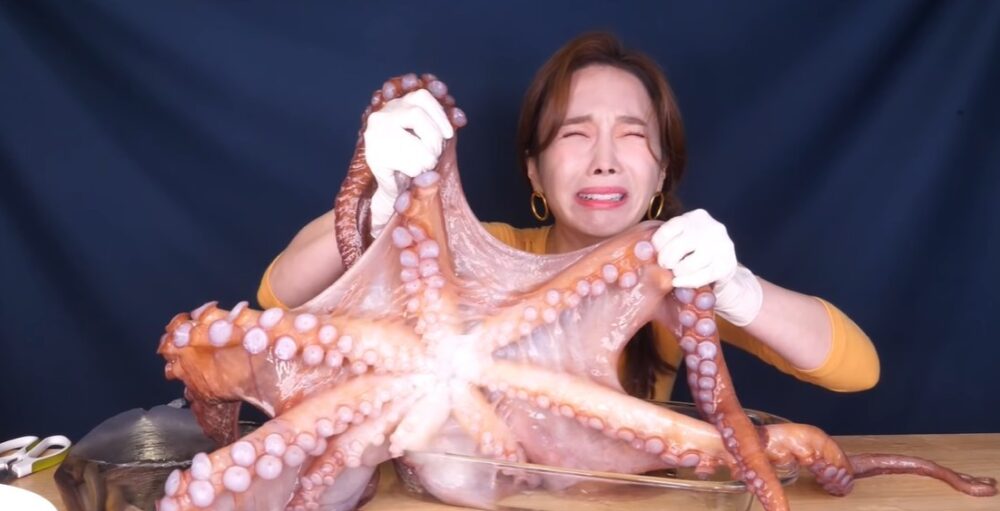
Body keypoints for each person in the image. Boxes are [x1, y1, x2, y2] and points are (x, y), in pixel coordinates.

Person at [257, 31, 879, 401]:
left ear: (663, 171)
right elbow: (279, 296)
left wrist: (738, 290)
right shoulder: (474, 255)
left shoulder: (675, 283)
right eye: (575, 134)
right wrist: (374, 207)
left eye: (632, 135)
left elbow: (858, 369)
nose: (604, 160)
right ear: (534, 171)